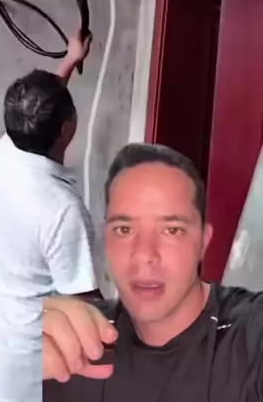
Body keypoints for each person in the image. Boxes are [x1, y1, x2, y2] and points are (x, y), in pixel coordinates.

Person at [42, 142, 263, 401]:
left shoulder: (249, 337)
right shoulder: (73, 343)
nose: (144, 255)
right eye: (124, 230)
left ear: (203, 242)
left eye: (171, 230)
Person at [0, 31, 100, 402]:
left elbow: (42, 109)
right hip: (19, 383)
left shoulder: (8, 149)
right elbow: (85, 308)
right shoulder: (62, 209)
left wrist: (70, 60)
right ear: (67, 129)